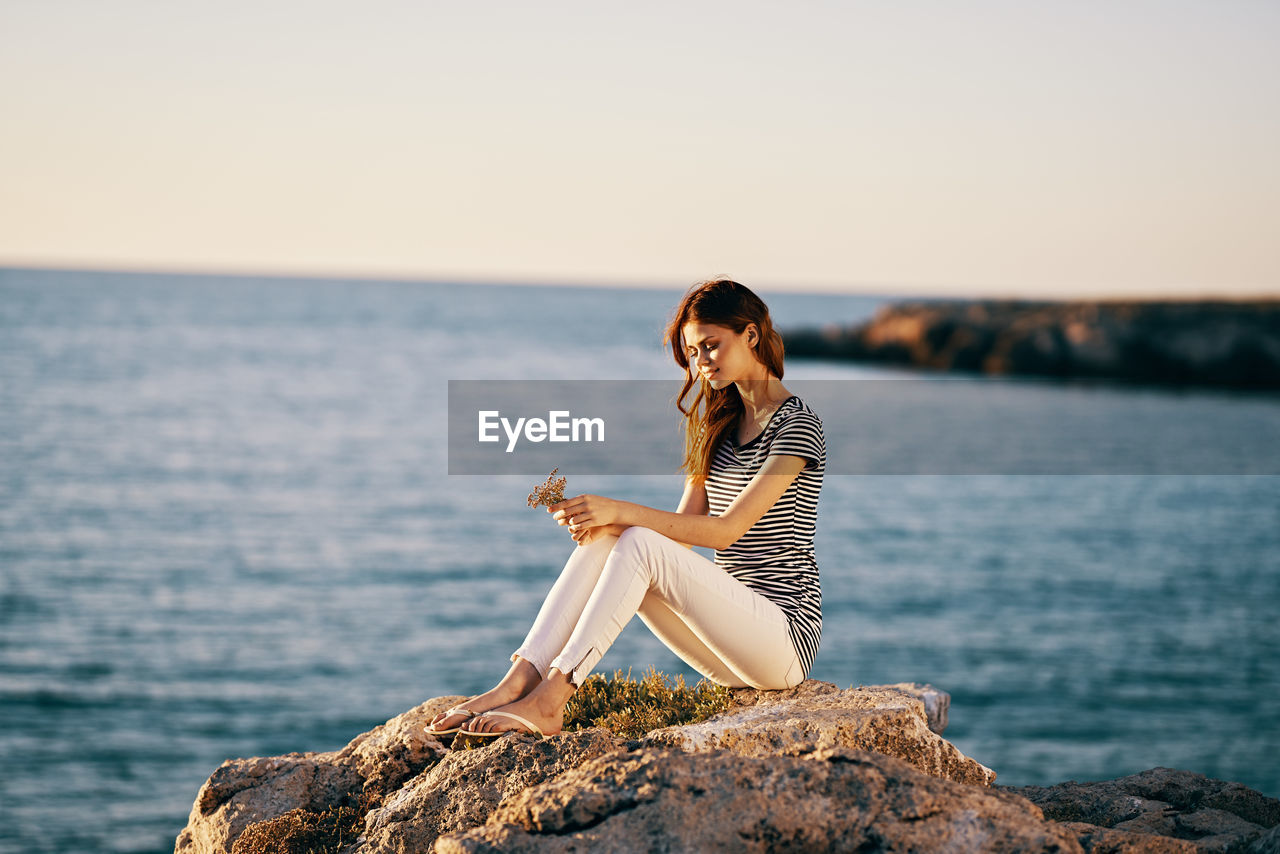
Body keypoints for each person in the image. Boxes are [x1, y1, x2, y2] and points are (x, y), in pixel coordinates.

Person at [426, 278, 825, 740]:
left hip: (783, 640)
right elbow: (680, 539)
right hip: (730, 649)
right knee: (610, 538)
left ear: (751, 335)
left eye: (711, 346)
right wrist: (607, 524)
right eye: (693, 353)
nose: (701, 363)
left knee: (632, 535)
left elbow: (723, 532)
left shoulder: (797, 426)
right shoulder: (718, 424)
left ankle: (552, 701)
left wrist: (619, 509)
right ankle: (517, 682)